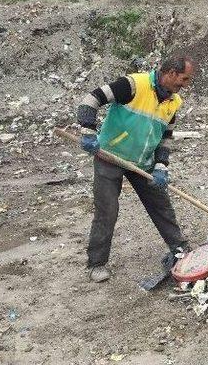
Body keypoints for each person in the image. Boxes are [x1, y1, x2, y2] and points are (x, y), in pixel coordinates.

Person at [77, 57, 195, 282]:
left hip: (142, 161)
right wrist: (88, 130)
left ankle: (179, 249)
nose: (186, 84)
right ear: (170, 72)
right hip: (110, 156)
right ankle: (96, 263)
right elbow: (91, 99)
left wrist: (161, 166)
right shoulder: (134, 85)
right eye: (184, 79)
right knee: (107, 210)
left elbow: (165, 138)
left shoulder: (174, 102)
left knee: (161, 204)